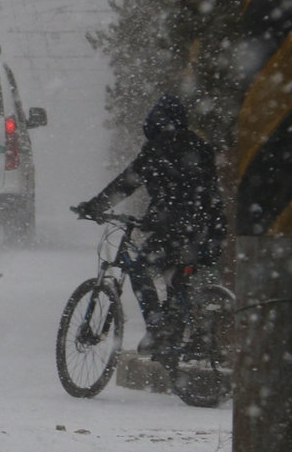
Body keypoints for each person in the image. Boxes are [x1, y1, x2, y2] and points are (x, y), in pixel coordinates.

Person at [71, 94, 228, 363]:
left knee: (140, 266)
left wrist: (95, 207)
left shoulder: (156, 150)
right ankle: (183, 336)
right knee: (178, 279)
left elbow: (127, 183)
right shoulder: (198, 146)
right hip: (207, 226)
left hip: (177, 226)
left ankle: (157, 328)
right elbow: (202, 191)